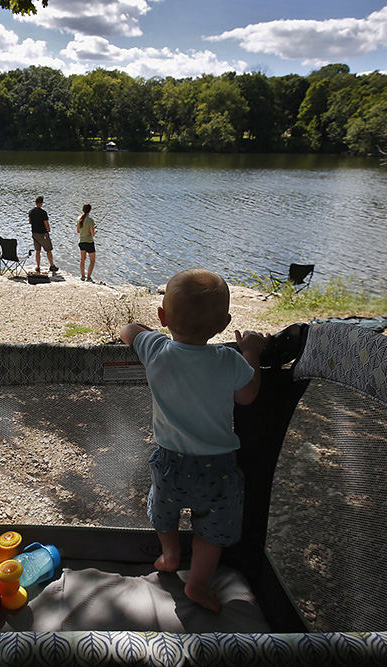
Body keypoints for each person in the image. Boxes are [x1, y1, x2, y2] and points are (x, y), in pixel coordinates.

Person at [119, 269, 267, 613]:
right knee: (211, 530)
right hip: (218, 469)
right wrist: (253, 351)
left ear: (162, 316)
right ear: (224, 324)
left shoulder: (155, 350)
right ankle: (198, 584)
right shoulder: (228, 360)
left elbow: (129, 331)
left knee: (164, 514)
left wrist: (138, 330)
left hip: (170, 464)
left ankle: (170, 555)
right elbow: (247, 396)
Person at [29, 195, 58, 273]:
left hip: (34, 234)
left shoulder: (31, 211)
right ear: (41, 203)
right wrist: (48, 230)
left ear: (36, 203)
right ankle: (52, 266)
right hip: (43, 234)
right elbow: (46, 224)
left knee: (38, 250)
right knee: (48, 250)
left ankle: (38, 266)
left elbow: (30, 221)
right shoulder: (43, 212)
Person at [76, 203, 96, 281]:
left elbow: (78, 231)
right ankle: (88, 277)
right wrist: (95, 230)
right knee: (92, 261)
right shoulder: (90, 220)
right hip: (89, 242)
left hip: (81, 242)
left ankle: (82, 276)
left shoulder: (79, 219)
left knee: (82, 259)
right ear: (90, 210)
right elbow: (92, 234)